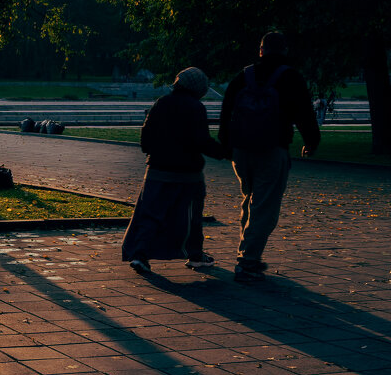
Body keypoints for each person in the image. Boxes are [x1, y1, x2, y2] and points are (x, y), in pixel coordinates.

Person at [218, 31, 320, 283]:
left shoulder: (244, 75)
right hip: (272, 149)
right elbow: (304, 113)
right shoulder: (290, 77)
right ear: (284, 50)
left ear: (261, 50)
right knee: (265, 207)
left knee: (249, 200)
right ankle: (247, 261)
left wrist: (227, 143)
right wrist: (311, 141)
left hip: (241, 150)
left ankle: (246, 251)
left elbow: (226, 109)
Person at [123, 67, 226, 276]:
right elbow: (201, 141)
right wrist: (224, 152)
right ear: (198, 88)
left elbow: (146, 133)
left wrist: (151, 152)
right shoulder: (196, 107)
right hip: (187, 174)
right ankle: (195, 255)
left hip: (156, 170)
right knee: (191, 217)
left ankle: (140, 255)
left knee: (150, 214)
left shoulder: (161, 102)